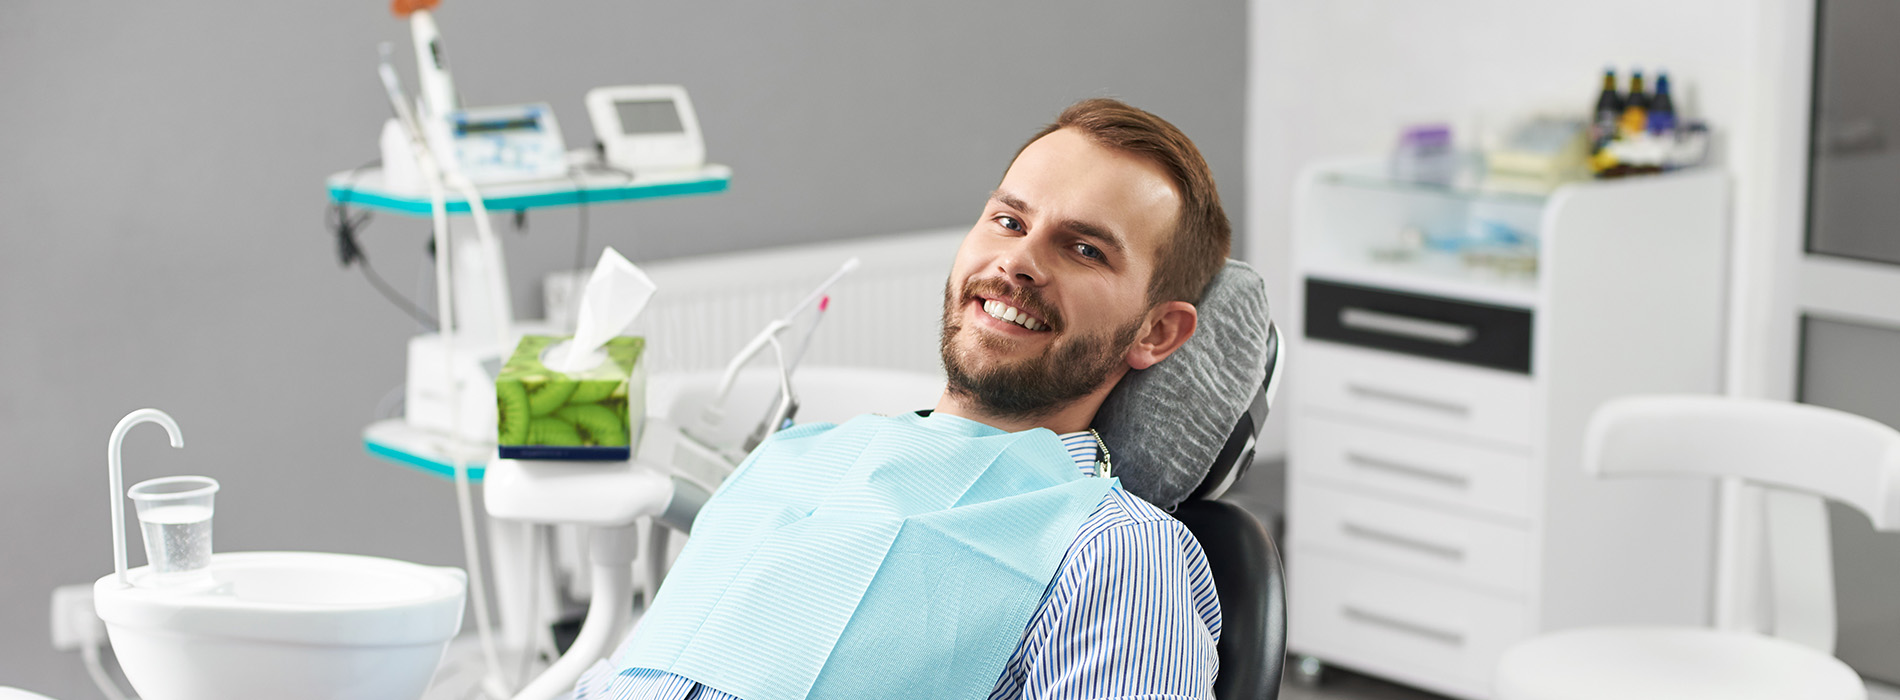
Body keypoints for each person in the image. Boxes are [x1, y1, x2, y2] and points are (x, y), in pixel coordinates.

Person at [576, 97, 1233, 700]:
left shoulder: (1114, 557)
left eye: (1084, 249)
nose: (1018, 261)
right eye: (1008, 220)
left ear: (1157, 331)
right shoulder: (792, 460)